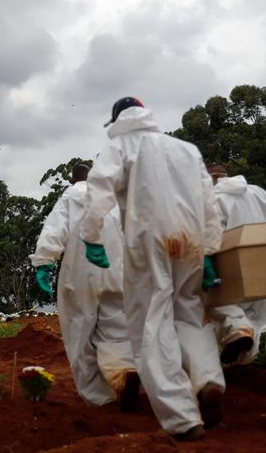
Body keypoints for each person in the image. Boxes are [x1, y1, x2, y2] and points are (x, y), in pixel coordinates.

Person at [79, 97, 224, 441]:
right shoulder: (185, 149)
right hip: (189, 240)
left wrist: (91, 236)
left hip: (148, 240)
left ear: (116, 120)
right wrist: (210, 249)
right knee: (188, 315)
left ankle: (182, 417)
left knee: (151, 324)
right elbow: (208, 201)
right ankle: (208, 380)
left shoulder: (121, 146)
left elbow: (100, 189)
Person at [30, 163, 139, 410]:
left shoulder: (72, 195)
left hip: (82, 272)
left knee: (80, 333)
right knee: (117, 328)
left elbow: (55, 230)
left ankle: (99, 397)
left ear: (73, 179)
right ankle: (124, 370)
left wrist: (44, 262)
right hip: (117, 271)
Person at [205, 165, 266, 365]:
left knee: (220, 304)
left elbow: (209, 236)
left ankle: (237, 332)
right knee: (259, 321)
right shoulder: (257, 192)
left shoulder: (213, 199)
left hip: (234, 269)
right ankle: (245, 367)